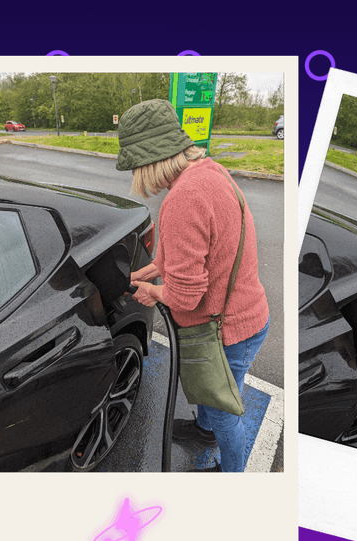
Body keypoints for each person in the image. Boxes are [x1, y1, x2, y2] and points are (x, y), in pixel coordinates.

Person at [117, 99, 270, 473]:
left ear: (149, 161)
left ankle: (230, 475)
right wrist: (147, 272)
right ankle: (203, 431)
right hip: (244, 313)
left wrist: (152, 292)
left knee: (224, 413)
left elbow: (185, 297)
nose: (137, 177)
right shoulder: (209, 172)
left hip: (225, 329)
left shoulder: (183, 199)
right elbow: (198, 254)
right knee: (211, 386)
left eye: (136, 166)